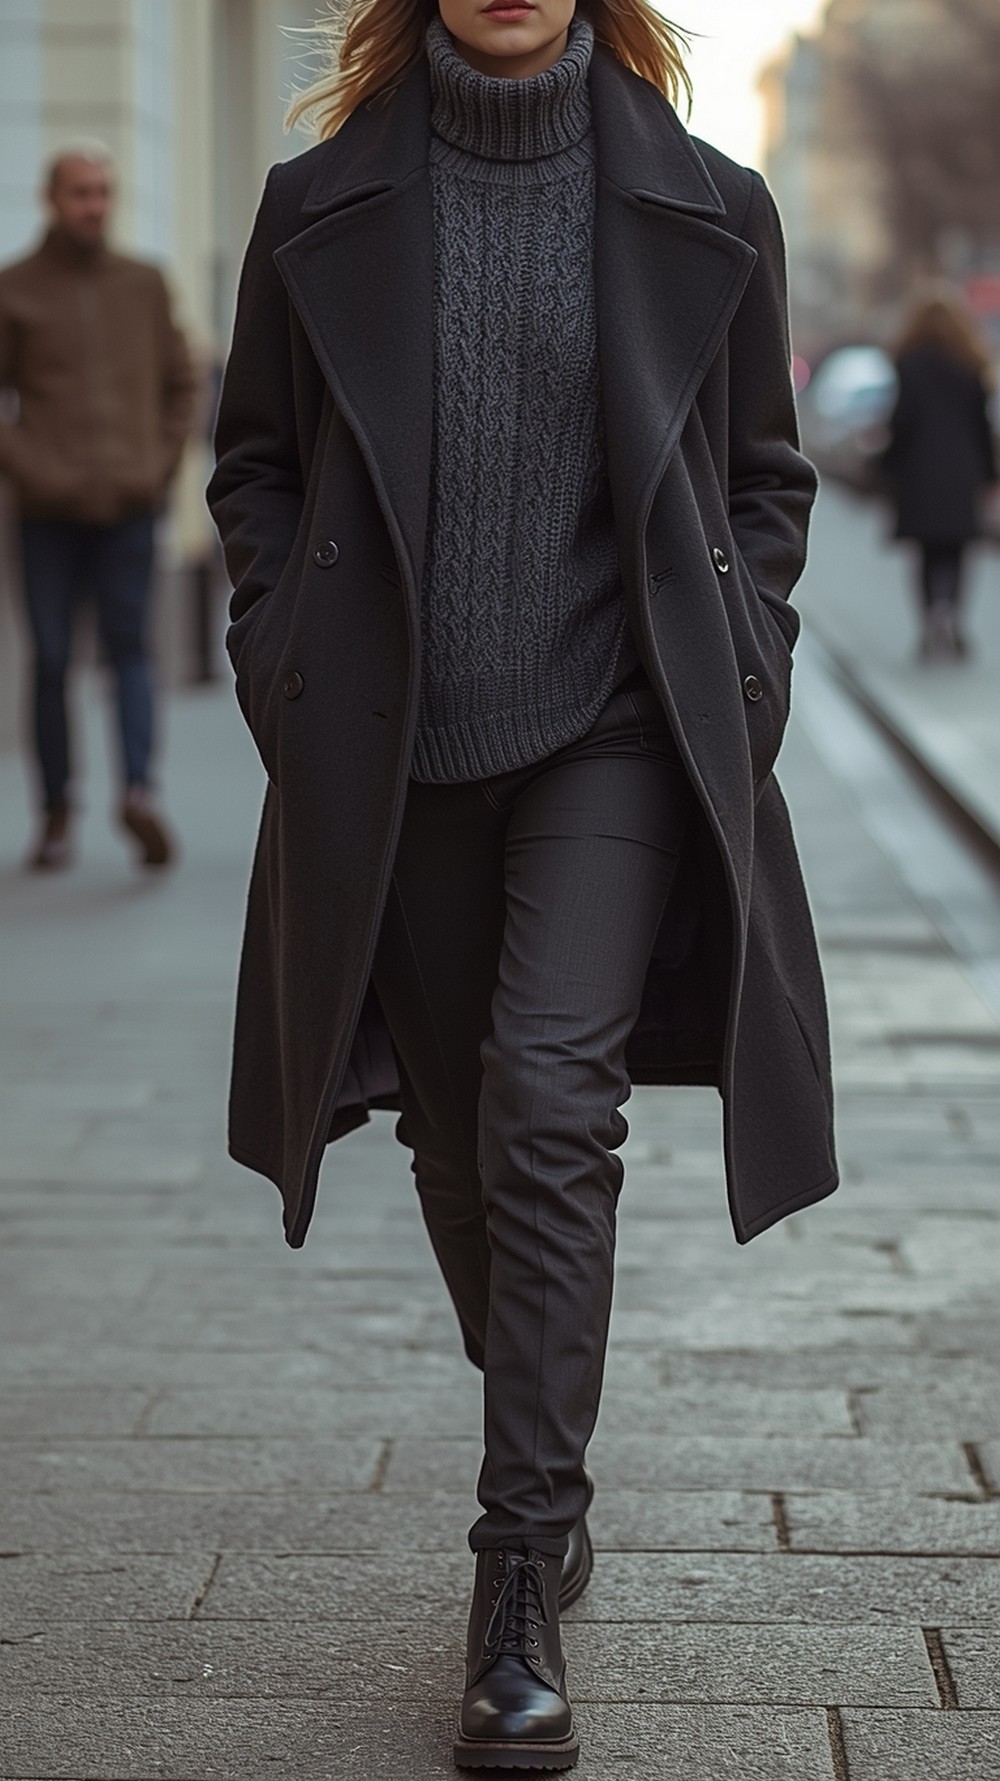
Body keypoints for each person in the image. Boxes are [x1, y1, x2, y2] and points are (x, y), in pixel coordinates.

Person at [209, 0, 837, 1768]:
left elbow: (765, 478)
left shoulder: (710, 204)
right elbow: (255, 465)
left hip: (618, 728)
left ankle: (514, 1575)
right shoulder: (315, 203)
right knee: (456, 1137)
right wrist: (282, 660)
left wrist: (744, 667)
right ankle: (547, 1451)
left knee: (551, 1099)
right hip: (396, 739)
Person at [0, 141, 196, 870]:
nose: (94, 206)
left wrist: (157, 464)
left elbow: (183, 384)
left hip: (129, 510)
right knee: (52, 659)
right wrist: (30, 467)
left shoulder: (143, 284)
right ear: (52, 199)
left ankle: (139, 794)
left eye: (103, 192)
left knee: (131, 651)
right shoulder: (15, 288)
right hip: (46, 515)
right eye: (81, 192)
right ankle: (55, 812)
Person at [883, 292, 998, 660]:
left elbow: (901, 422)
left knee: (926, 552)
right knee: (957, 552)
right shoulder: (971, 365)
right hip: (962, 472)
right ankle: (951, 614)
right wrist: (990, 476)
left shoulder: (909, 364)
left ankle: (930, 619)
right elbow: (982, 428)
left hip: (920, 473)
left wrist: (886, 466)